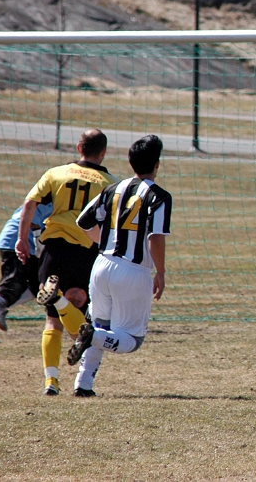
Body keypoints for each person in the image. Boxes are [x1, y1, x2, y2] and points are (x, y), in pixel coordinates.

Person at [67, 135, 171, 398]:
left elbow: (83, 221)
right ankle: (92, 338)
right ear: (157, 164)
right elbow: (155, 237)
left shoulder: (113, 189)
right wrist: (161, 271)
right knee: (131, 340)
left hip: (101, 265)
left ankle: (83, 384)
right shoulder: (158, 196)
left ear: (129, 161)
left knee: (100, 324)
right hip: (133, 272)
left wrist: (107, 244)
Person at [15, 128, 115, 396]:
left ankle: (51, 381)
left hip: (53, 250)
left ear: (79, 147)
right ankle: (60, 302)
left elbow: (29, 204)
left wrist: (23, 239)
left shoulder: (56, 173)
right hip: (85, 254)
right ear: (103, 152)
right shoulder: (109, 183)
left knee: (52, 321)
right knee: (80, 316)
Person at [0, 203, 53, 342]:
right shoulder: (45, 198)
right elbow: (30, 219)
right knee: (11, 287)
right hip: (18, 244)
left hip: (33, 247)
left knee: (40, 288)